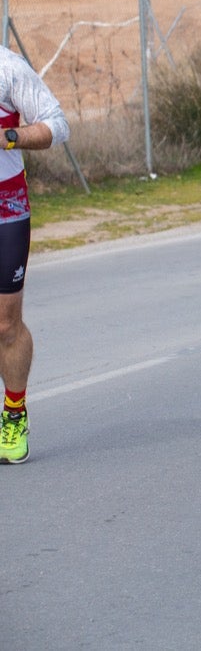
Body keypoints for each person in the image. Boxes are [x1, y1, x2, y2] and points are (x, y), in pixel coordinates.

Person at [0, 46, 70, 465]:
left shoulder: (7, 68)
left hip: (5, 208)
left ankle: (14, 413)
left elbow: (57, 125)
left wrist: (9, 136)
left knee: (6, 324)